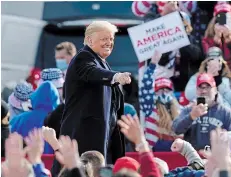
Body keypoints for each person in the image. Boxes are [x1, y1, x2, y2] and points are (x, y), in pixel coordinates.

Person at [53, 20, 132, 176]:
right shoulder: (83, 58)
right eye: (104, 39)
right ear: (89, 40)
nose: (109, 43)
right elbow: (93, 72)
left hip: (101, 136)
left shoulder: (102, 62)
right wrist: (116, 76)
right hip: (84, 136)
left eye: (111, 39)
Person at [172, 73, 231, 150]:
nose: (204, 91)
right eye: (200, 87)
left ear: (215, 90)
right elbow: (176, 129)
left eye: (208, 87)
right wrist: (191, 117)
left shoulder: (225, 112)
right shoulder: (189, 110)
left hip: (216, 158)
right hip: (193, 157)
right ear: (196, 90)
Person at [140, 51, 182, 151]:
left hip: (175, 154)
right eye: (160, 90)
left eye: (167, 90)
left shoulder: (179, 111)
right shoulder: (150, 108)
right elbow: (146, 86)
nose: (164, 93)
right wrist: (152, 65)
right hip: (155, 153)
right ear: (154, 93)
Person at [9, 81, 60, 154]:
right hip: (54, 163)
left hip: (25, 162)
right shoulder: (62, 120)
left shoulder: (18, 119)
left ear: (36, 96)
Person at [202, 2, 231, 76]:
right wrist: (216, 41)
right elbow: (209, 58)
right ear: (215, 20)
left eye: (226, 17)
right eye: (220, 17)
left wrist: (230, 40)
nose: (223, 21)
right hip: (216, 74)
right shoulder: (207, 40)